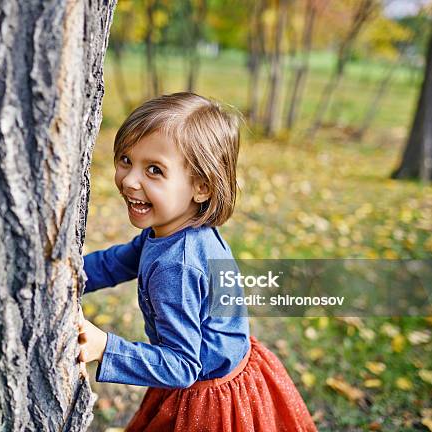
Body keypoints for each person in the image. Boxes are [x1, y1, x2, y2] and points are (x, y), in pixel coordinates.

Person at [78, 92, 318, 431]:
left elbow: (181, 367)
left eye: (154, 170)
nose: (130, 180)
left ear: (201, 187)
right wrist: (70, 277)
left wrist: (105, 347)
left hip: (206, 400)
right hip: (228, 370)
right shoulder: (172, 230)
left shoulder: (179, 266)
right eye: (126, 160)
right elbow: (117, 262)